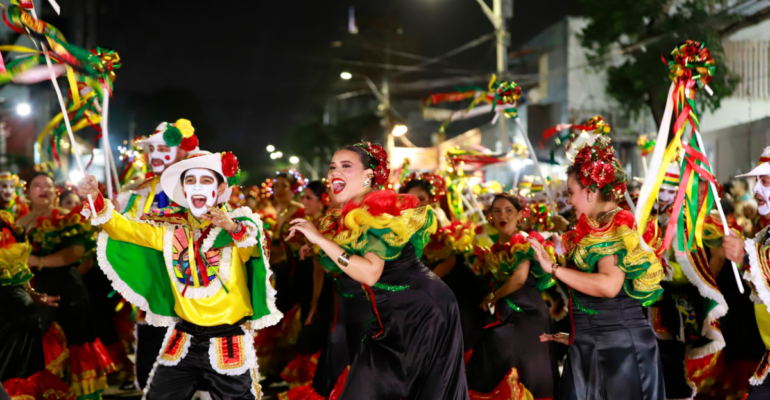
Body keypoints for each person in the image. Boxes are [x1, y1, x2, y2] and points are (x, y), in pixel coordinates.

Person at [78, 150, 282, 400]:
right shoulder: (169, 230)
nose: (197, 186)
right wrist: (94, 197)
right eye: (190, 181)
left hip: (227, 341)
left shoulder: (240, 225)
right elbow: (123, 229)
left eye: (206, 181)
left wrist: (230, 226)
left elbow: (254, 248)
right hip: (183, 338)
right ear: (184, 191)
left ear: (219, 189)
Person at [287, 141, 468, 399]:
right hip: (390, 311)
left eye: (346, 166)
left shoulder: (378, 207)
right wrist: (319, 247)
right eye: (332, 167)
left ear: (368, 175)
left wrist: (320, 241)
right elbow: (349, 259)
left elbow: (370, 272)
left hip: (421, 311)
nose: (334, 172)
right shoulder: (352, 211)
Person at [531, 133, 665, 400]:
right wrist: (576, 333)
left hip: (617, 353)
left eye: (571, 192)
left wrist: (554, 269)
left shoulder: (614, 227)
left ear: (590, 192)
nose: (569, 201)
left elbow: (609, 286)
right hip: (596, 345)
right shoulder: (599, 228)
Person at [114, 119, 200, 391]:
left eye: (163, 148)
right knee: (151, 359)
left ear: (183, 152)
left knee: (194, 358)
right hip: (153, 287)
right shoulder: (140, 192)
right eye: (150, 150)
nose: (155, 155)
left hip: (191, 286)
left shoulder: (198, 186)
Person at [17, 171, 115, 399]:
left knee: (73, 345)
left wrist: (38, 261)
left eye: (48, 186)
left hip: (66, 290)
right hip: (34, 290)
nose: (43, 189)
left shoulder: (65, 216)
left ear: (55, 192)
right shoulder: (20, 221)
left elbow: (76, 253)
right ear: (28, 192)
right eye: (37, 185)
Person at [645, 163, 729, 398]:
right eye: (661, 189)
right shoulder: (648, 219)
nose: (664, 196)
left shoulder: (692, 221)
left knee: (676, 361)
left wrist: (703, 287)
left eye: (671, 190)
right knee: (659, 360)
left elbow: (716, 258)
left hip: (682, 302)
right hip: (654, 301)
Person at [466, 193, 557, 399]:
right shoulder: (497, 246)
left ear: (519, 216)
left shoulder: (522, 241)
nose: (502, 215)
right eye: (497, 211)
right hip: (507, 313)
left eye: (508, 210)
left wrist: (493, 297)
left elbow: (519, 278)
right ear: (490, 216)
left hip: (526, 315)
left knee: (520, 370)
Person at [404, 172, 486, 360]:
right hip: (427, 283)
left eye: (422, 198)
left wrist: (421, 287)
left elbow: (450, 260)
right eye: (411, 199)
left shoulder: (437, 216)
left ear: (431, 199)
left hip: (452, 285)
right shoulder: (406, 223)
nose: (417, 203)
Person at [720, 146, 770, 399]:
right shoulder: (764, 234)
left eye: (765, 182)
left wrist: (746, 255)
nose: (756, 190)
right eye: (757, 182)